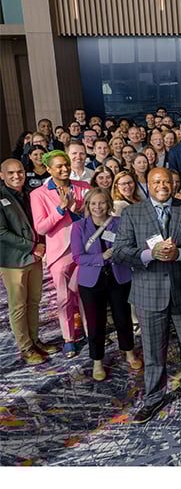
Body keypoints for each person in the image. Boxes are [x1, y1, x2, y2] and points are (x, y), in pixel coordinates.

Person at [113, 167, 181, 424]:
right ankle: (154, 397)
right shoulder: (133, 212)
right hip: (148, 293)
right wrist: (149, 254)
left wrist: (179, 254)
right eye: (156, 182)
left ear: (173, 184)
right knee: (154, 350)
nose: (162, 185)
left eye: (166, 181)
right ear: (148, 184)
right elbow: (120, 250)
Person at [71, 188, 140, 381]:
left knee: (122, 317)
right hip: (91, 281)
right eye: (93, 203)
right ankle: (97, 360)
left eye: (101, 203)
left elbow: (128, 246)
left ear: (109, 205)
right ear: (87, 205)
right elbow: (78, 257)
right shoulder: (79, 227)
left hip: (118, 276)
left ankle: (129, 352)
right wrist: (101, 257)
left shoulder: (119, 223)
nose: (97, 207)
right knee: (95, 322)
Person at [30, 150, 91, 357]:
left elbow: (95, 217)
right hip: (60, 252)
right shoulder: (38, 194)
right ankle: (69, 338)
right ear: (48, 170)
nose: (65, 169)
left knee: (85, 293)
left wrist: (79, 212)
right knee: (64, 297)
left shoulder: (84, 187)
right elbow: (40, 228)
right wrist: (60, 209)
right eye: (59, 166)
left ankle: (90, 332)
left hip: (84, 249)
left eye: (66, 164)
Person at [1, 159, 55, 364]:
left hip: (34, 257)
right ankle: (24, 348)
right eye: (11, 173)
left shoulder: (29, 194)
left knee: (34, 302)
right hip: (13, 260)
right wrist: (32, 246)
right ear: (2, 176)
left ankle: (34, 340)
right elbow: (1, 232)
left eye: (20, 172)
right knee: (18, 306)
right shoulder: (1, 196)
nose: (17, 176)